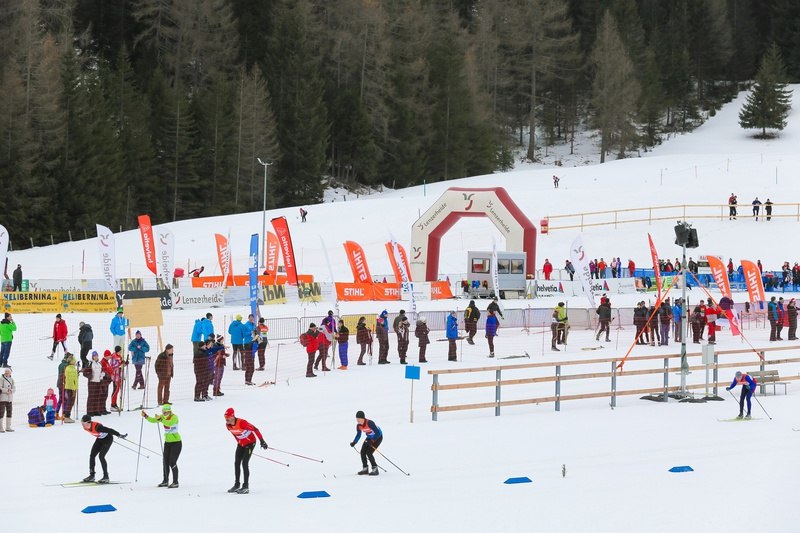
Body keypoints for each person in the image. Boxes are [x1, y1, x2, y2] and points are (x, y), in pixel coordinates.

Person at [224, 407, 268, 494]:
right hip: (241, 444)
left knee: (244, 463)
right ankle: (237, 485)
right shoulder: (228, 426)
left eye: (228, 417)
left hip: (251, 443)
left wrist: (262, 441)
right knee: (237, 463)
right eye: (225, 418)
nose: (226, 419)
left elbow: (255, 429)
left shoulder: (242, 423)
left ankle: (245, 486)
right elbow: (235, 435)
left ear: (232, 416)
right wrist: (239, 442)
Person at [142, 403, 181, 488]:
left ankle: (175, 482)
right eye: (163, 412)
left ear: (169, 411)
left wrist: (160, 419)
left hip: (176, 443)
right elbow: (153, 420)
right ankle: (165, 481)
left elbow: (169, 423)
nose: (164, 413)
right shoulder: (162, 417)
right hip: (167, 443)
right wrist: (146, 416)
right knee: (165, 462)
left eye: (166, 412)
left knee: (172, 462)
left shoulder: (174, 417)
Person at [81, 415, 127, 483]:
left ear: (89, 422)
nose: (82, 425)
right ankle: (92, 476)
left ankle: (106, 477)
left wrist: (119, 435)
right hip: (100, 439)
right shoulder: (85, 427)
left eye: (84, 423)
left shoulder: (98, 427)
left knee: (101, 456)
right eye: (82, 423)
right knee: (92, 455)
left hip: (108, 439)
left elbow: (110, 430)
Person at [350, 410, 382, 476]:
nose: (358, 420)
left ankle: (375, 469)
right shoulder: (358, 426)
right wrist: (354, 442)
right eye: (357, 419)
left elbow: (378, 433)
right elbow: (358, 434)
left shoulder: (370, 423)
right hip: (369, 437)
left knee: (369, 452)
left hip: (378, 437)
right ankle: (365, 469)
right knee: (362, 452)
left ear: (363, 418)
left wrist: (372, 441)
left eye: (359, 419)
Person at [83, 351, 107, 416]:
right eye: (94, 356)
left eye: (96, 356)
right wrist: (90, 376)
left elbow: (102, 370)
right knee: (91, 397)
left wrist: (102, 374)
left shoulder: (99, 364)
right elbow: (85, 373)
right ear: (92, 357)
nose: (96, 357)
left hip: (98, 382)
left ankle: (96, 410)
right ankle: (90, 411)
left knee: (97, 396)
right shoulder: (90, 363)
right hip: (92, 382)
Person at [61, 354, 79, 423]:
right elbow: (71, 380)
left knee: (70, 402)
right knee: (70, 402)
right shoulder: (70, 369)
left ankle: (66, 415)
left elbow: (73, 379)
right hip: (71, 388)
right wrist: (73, 389)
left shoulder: (72, 368)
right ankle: (67, 416)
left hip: (71, 387)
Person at [241, 314, 257, 382]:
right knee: (248, 359)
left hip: (253, 342)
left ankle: (249, 379)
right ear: (248, 318)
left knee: (252, 359)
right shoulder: (246, 325)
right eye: (250, 317)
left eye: (252, 317)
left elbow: (256, 333)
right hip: (247, 343)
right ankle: (247, 379)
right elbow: (244, 334)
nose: (251, 319)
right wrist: (250, 332)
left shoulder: (254, 325)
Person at [0, 368, 14, 432]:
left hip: (9, 399)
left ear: (10, 373)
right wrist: (6, 390)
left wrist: (11, 390)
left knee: (9, 412)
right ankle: (0, 428)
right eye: (6, 371)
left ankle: (8, 427)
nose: (7, 373)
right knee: (1, 413)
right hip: (2, 399)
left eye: (8, 372)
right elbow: (0, 387)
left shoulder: (12, 379)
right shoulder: (1, 379)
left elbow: (14, 388)